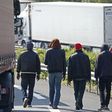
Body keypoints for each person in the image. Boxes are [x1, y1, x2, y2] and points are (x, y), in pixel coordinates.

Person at [16, 42, 41, 108]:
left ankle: (25, 98)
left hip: (24, 73)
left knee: (23, 87)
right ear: (32, 47)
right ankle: (29, 103)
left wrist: (18, 73)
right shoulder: (35, 55)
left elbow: (19, 64)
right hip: (32, 73)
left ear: (26, 47)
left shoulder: (22, 54)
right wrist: (38, 74)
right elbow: (38, 65)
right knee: (31, 88)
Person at [67, 43, 91, 110]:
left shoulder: (72, 57)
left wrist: (69, 79)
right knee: (81, 91)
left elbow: (70, 69)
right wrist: (88, 78)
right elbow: (88, 68)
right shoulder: (86, 56)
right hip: (83, 77)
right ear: (81, 48)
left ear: (75, 48)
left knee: (76, 91)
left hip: (75, 77)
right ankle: (78, 103)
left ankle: (78, 103)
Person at [44, 38, 66, 109]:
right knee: (58, 88)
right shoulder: (62, 52)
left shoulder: (48, 51)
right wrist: (64, 73)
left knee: (51, 88)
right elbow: (64, 63)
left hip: (51, 72)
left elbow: (45, 62)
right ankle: (55, 104)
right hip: (59, 72)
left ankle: (51, 102)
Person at [95, 44, 112, 111]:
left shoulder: (100, 55)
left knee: (101, 90)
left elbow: (97, 67)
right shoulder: (111, 55)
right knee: (108, 91)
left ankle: (102, 105)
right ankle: (106, 105)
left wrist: (96, 76)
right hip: (110, 75)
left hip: (102, 76)